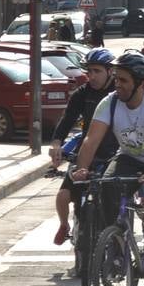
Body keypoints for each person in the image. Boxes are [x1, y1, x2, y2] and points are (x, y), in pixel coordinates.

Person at [72, 52, 144, 286]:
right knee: (106, 187)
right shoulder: (110, 102)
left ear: (140, 83)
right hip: (130, 157)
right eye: (116, 79)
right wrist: (82, 168)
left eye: (123, 80)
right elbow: (90, 140)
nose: (118, 85)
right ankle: (116, 248)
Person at [48, 47, 118, 245]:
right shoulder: (82, 93)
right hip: (87, 153)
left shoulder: (118, 92)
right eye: (89, 71)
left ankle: (115, 237)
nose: (92, 76)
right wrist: (56, 144)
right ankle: (64, 225)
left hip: (114, 154)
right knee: (63, 195)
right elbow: (67, 119)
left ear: (110, 71)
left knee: (114, 197)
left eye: (97, 71)